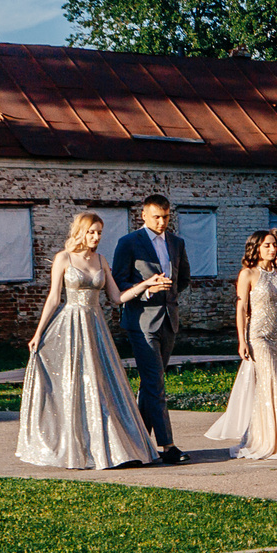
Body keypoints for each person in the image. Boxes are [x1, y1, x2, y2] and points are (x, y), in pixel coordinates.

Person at [17, 212, 164, 469]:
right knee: (74, 384)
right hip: (70, 324)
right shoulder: (64, 258)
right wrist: (38, 332)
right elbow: (54, 298)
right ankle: (75, 447)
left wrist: (146, 285)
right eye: (91, 232)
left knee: (100, 383)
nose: (96, 237)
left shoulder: (101, 260)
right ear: (81, 232)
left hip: (95, 327)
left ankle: (108, 448)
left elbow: (117, 297)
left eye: (99, 233)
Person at [206, 230, 277, 460]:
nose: (273, 249)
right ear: (256, 247)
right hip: (258, 337)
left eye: (274, 245)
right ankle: (271, 439)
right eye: (267, 245)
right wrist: (242, 340)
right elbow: (241, 308)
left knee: (273, 386)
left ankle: (273, 437)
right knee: (271, 383)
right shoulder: (247, 274)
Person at [110, 195, 193, 466]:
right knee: (155, 382)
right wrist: (147, 289)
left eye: (166, 217)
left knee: (150, 383)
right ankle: (167, 445)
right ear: (143, 215)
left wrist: (168, 295)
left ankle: (138, 442)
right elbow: (119, 282)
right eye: (156, 216)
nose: (161, 222)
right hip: (141, 322)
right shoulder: (129, 243)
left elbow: (183, 279)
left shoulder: (176, 243)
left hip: (168, 319)